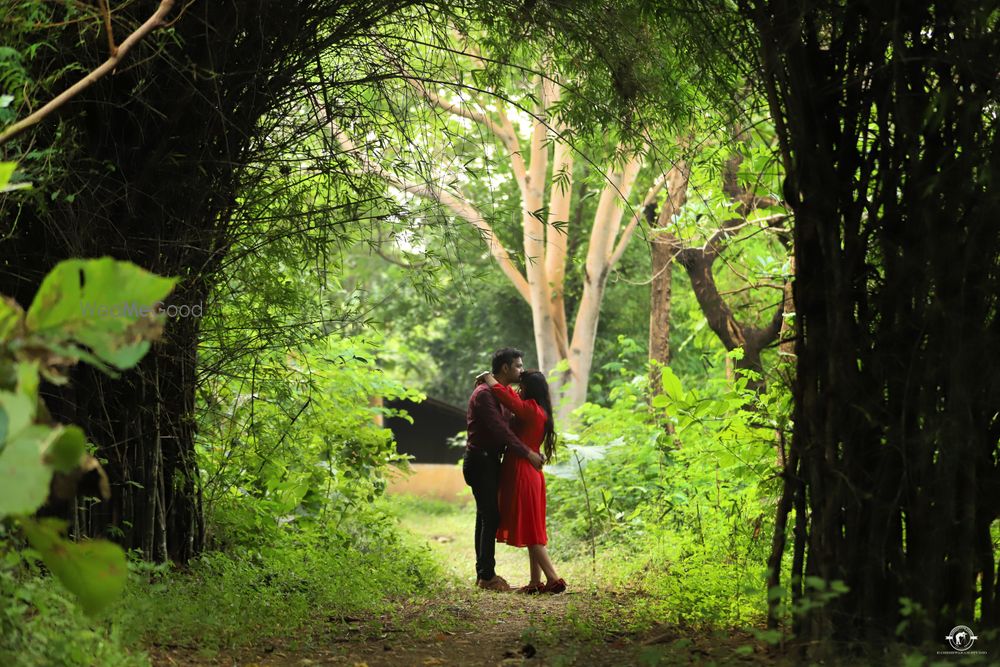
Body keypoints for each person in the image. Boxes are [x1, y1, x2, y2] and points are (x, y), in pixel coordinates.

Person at [463, 347, 543, 592]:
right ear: (506, 368)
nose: (521, 370)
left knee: (486, 515)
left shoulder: (503, 393)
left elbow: (516, 421)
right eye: (518, 366)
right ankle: (487, 576)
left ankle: (483, 574)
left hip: (491, 461)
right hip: (480, 461)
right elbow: (501, 430)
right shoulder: (485, 394)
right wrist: (527, 453)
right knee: (490, 515)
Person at [480, 368, 566, 594]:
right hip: (532, 473)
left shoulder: (529, 410)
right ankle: (535, 582)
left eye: (522, 385)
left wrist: (488, 377)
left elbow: (507, 398)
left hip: (521, 472)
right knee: (532, 527)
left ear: (529, 388)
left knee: (530, 530)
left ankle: (553, 579)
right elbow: (513, 399)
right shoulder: (540, 410)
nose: (519, 388)